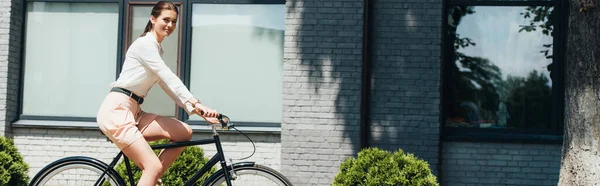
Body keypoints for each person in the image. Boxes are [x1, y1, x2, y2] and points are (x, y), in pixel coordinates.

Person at [96, 1, 219, 185]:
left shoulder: (156, 50)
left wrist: (199, 112)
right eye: (166, 20)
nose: (170, 25)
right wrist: (195, 102)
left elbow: (168, 87)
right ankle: (153, 172)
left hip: (135, 111)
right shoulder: (145, 45)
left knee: (184, 133)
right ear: (153, 19)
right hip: (117, 111)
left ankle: (152, 178)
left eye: (174, 22)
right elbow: (168, 76)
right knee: (152, 166)